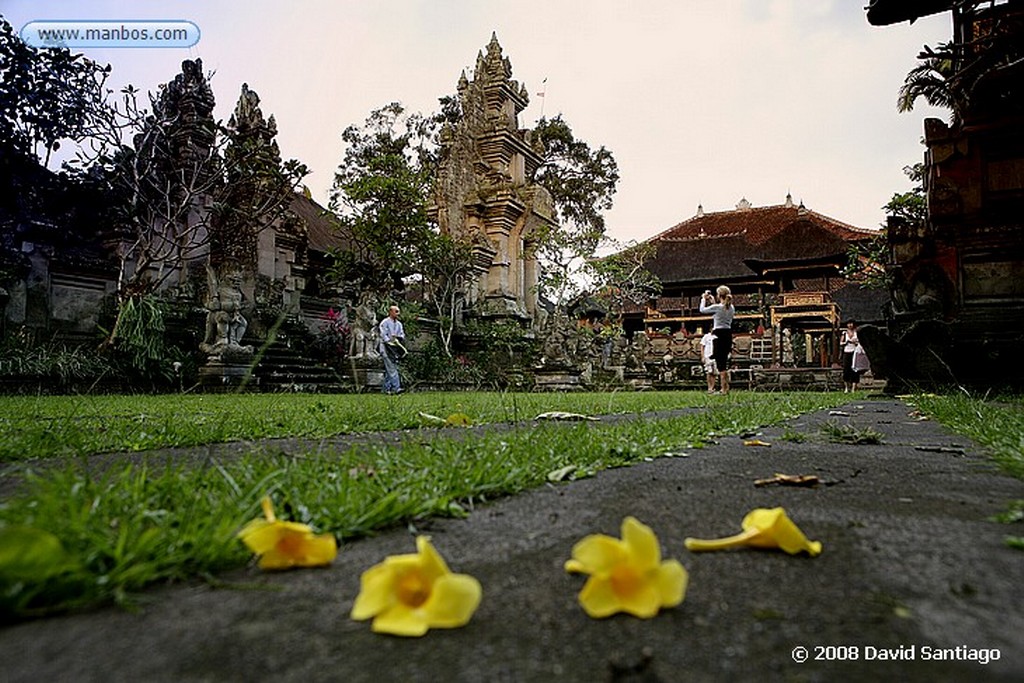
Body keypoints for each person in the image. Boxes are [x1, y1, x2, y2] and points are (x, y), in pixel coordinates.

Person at [699, 286, 735, 395]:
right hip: (727, 334)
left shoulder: (718, 307)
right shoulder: (731, 307)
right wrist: (712, 301)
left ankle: (724, 389)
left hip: (718, 334)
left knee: (720, 364)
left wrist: (703, 299)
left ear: (719, 295)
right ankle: (725, 388)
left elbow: (702, 310)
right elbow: (718, 309)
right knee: (724, 361)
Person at [378, 305, 406, 394]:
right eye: (396, 311)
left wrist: (397, 338)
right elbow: (383, 334)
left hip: (394, 348)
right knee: (392, 368)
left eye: (398, 311)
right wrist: (389, 341)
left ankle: (386, 389)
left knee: (389, 369)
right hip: (386, 347)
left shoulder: (399, 324)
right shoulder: (385, 322)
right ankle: (396, 388)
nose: (398, 313)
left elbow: (402, 335)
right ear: (390, 312)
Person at [841, 320, 860, 393]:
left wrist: (855, 342)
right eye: (849, 324)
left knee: (855, 369)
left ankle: (853, 388)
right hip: (847, 351)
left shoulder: (856, 333)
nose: (850, 325)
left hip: (855, 352)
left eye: (851, 324)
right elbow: (841, 343)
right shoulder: (844, 333)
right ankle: (846, 387)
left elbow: (860, 342)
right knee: (846, 369)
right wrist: (846, 342)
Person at [700, 329, 718, 393]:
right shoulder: (706, 336)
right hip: (707, 356)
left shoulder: (717, 337)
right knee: (709, 372)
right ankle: (709, 387)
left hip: (716, 357)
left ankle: (712, 387)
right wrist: (702, 356)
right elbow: (702, 346)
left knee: (714, 373)